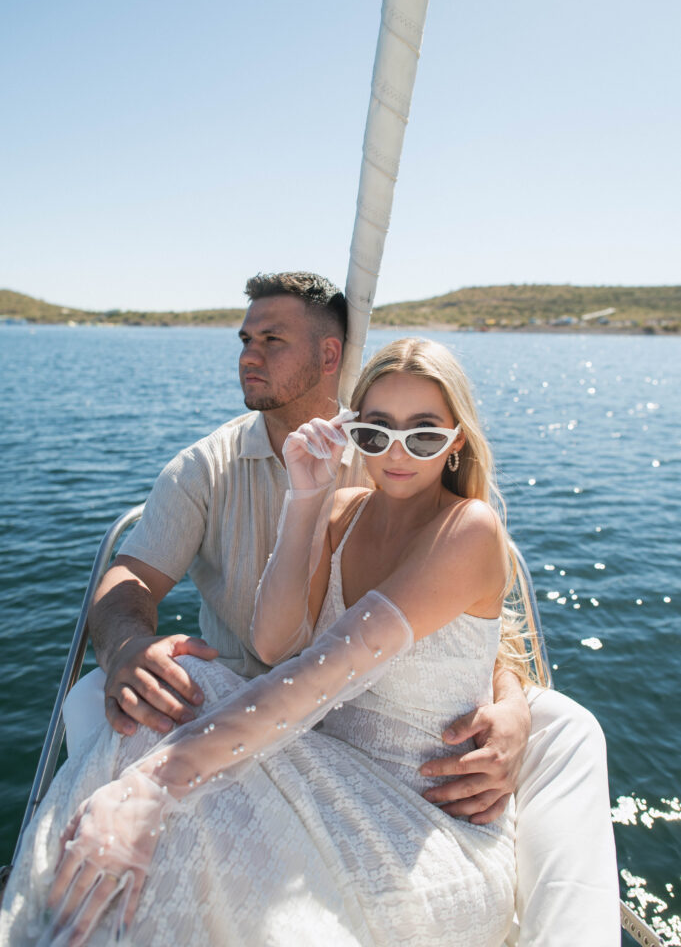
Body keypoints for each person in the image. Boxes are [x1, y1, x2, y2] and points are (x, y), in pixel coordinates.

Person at [19, 274, 618, 944]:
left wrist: (154, 786)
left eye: (423, 436)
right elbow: (275, 646)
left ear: (456, 442)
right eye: (375, 433)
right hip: (306, 746)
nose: (394, 453)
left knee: (175, 808)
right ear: (355, 429)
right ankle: (54, 919)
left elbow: (326, 671)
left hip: (413, 816)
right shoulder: (304, 496)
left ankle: (59, 922)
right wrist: (304, 500)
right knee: (152, 709)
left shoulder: (468, 529)